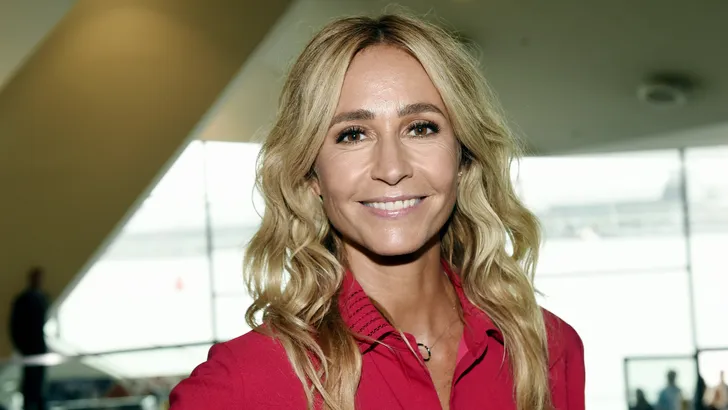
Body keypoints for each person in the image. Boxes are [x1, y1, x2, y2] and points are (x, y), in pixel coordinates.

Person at [170, 13, 585, 410]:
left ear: (463, 157)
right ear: (311, 174)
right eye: (352, 134)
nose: (391, 168)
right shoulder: (242, 383)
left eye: (421, 127)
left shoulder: (547, 349)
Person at [9, 267, 50, 410]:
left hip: (39, 344)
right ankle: (29, 403)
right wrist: (21, 345)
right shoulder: (23, 300)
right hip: (29, 346)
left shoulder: (43, 297)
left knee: (39, 377)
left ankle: (37, 402)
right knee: (30, 378)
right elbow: (15, 324)